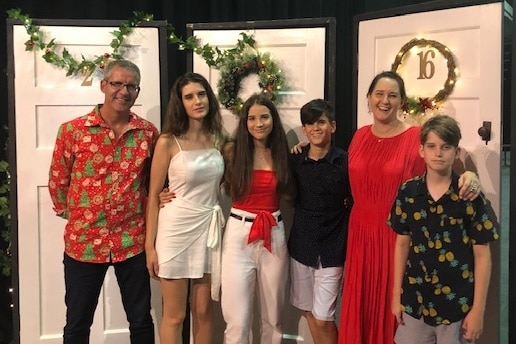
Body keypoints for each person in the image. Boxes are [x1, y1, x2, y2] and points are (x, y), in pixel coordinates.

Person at [337, 71, 481, 344]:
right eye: (379, 94)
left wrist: (469, 176)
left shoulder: (414, 137)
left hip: (397, 237)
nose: (385, 100)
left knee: (396, 312)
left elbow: (447, 165)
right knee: (362, 304)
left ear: (402, 101)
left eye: (393, 95)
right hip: (360, 236)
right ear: (368, 98)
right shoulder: (359, 136)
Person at [48, 59, 157, 344]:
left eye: (131, 86)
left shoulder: (147, 134)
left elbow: (155, 181)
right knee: (77, 324)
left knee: (141, 321)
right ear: (103, 85)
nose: (124, 91)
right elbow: (58, 181)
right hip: (83, 243)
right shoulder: (72, 131)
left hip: (132, 241)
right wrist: (76, 214)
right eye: (117, 83)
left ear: (137, 91)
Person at [388, 115, 498, 343]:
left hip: (456, 307)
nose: (438, 153)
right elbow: (401, 244)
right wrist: (395, 295)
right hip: (414, 303)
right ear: (421, 150)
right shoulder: (408, 192)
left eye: (446, 147)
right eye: (432, 146)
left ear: (456, 152)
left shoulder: (469, 196)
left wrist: (478, 310)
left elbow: (482, 255)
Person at [145, 72, 225, 343]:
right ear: (180, 103)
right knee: (175, 314)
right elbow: (153, 197)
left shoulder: (218, 138)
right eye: (189, 97)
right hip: (175, 232)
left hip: (208, 231)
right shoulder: (168, 141)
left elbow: (253, 154)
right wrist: (150, 248)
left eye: (201, 94)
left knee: (204, 310)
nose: (197, 101)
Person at [220, 94, 294, 344]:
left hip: (273, 233)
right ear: (245, 122)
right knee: (237, 320)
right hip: (238, 234)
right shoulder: (232, 151)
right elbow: (204, 180)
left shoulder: (283, 152)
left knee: (273, 318)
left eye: (264, 117)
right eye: (252, 118)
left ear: (273, 119)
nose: (258, 123)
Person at [287, 99, 351, 344]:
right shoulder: (296, 160)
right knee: (309, 310)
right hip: (302, 246)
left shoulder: (345, 162)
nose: (316, 128)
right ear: (304, 129)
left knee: (324, 317)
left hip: (333, 248)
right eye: (310, 123)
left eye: (322, 122)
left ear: (332, 126)